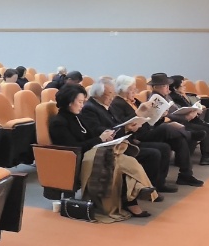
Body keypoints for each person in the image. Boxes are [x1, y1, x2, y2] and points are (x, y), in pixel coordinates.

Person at [47, 84, 154, 221]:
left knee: (121, 158)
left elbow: (92, 134)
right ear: (69, 102)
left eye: (83, 101)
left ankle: (137, 191)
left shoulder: (78, 117)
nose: (82, 105)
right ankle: (137, 191)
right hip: (78, 158)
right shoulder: (58, 122)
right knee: (116, 161)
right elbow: (74, 147)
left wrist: (106, 135)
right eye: (80, 102)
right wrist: (99, 139)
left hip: (92, 152)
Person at [110, 75, 201, 186]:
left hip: (147, 129)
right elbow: (122, 123)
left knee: (178, 139)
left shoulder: (134, 101)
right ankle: (189, 135)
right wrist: (138, 113)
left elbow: (149, 119)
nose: (135, 91)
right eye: (132, 89)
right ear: (123, 89)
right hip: (137, 135)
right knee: (166, 128)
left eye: (134, 89)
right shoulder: (117, 103)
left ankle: (185, 174)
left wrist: (160, 115)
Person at [84, 79, 172, 193]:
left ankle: (157, 184)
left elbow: (119, 123)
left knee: (164, 148)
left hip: (125, 140)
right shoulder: (90, 108)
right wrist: (126, 128)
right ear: (98, 94)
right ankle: (149, 189)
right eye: (109, 94)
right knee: (153, 153)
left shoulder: (106, 105)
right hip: (110, 148)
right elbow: (101, 131)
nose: (112, 97)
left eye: (113, 93)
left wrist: (131, 127)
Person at [152, 73, 209, 163]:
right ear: (156, 87)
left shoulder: (165, 96)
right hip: (168, 124)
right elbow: (167, 115)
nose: (168, 89)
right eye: (165, 86)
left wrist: (188, 113)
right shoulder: (156, 99)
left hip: (176, 121)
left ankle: (204, 153)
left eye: (168, 86)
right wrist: (185, 117)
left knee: (206, 128)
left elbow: (173, 110)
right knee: (201, 130)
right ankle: (203, 156)